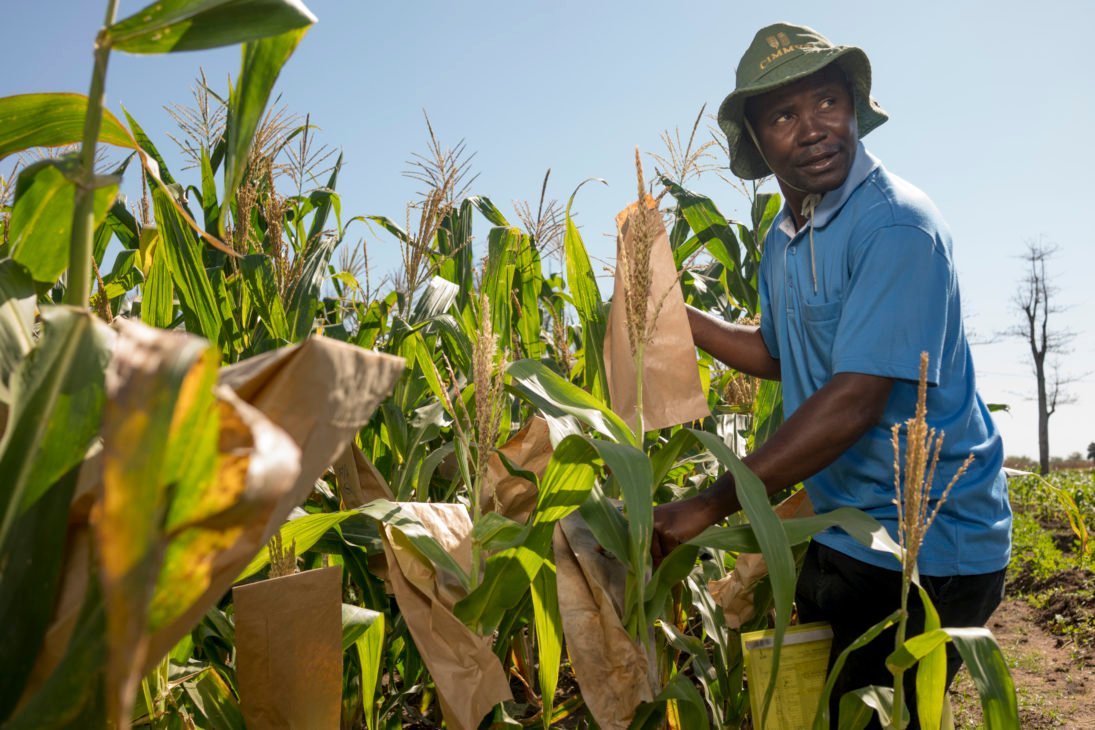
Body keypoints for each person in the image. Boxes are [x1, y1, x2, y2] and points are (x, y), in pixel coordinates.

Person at [650, 22, 1012, 728]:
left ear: (854, 108)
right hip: (838, 524)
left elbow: (852, 400)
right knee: (813, 710)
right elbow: (780, 353)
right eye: (784, 115)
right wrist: (681, 319)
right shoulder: (782, 240)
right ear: (756, 140)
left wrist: (709, 504)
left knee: (876, 714)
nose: (812, 128)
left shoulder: (895, 226)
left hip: (925, 540)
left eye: (827, 102)